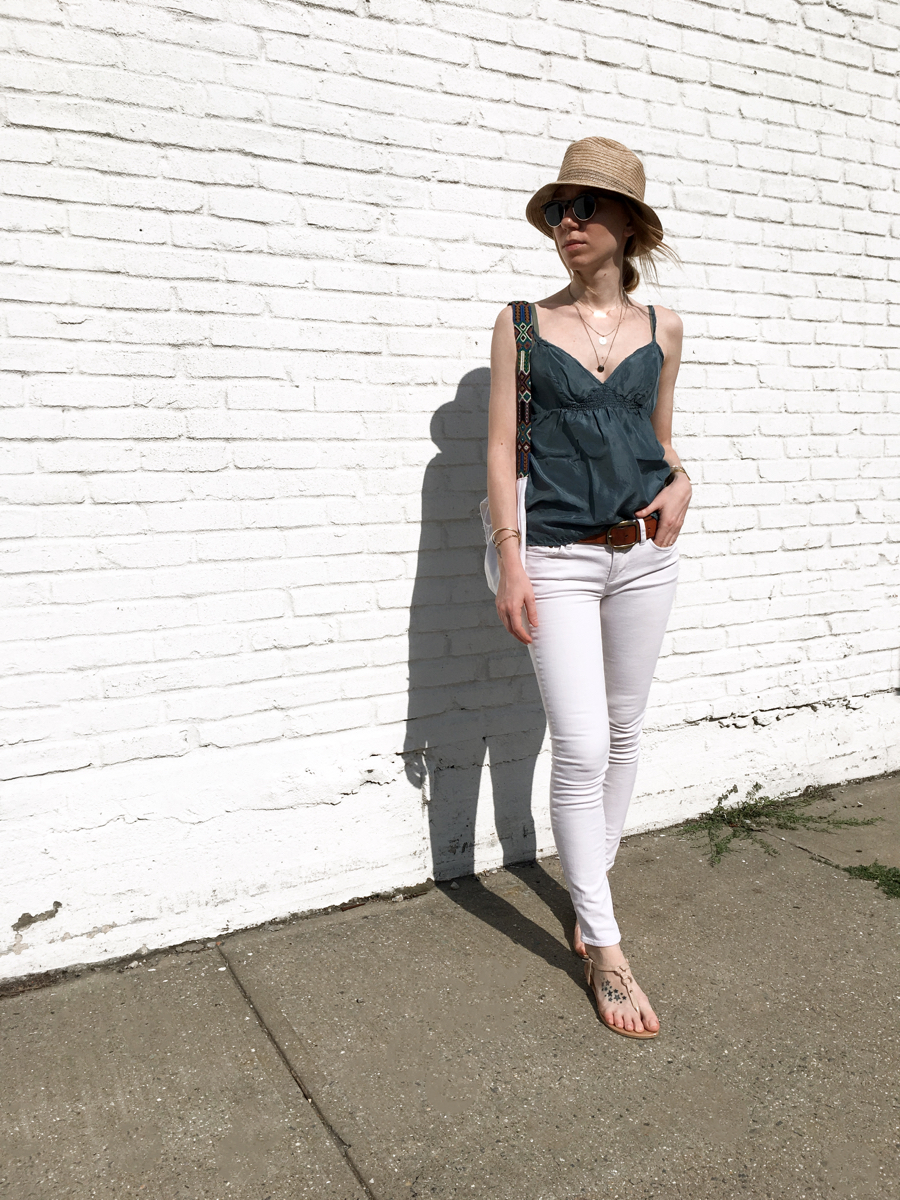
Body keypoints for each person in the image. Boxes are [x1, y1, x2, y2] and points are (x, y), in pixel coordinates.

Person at [486, 137, 692, 1039]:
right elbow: (500, 452)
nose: (568, 222)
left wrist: (684, 483)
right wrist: (511, 557)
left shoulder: (663, 328)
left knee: (624, 729)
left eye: (586, 208)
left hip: (646, 552)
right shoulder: (522, 324)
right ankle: (606, 949)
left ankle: (586, 895)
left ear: (627, 228)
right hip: (559, 559)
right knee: (580, 746)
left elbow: (659, 438)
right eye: (559, 209)